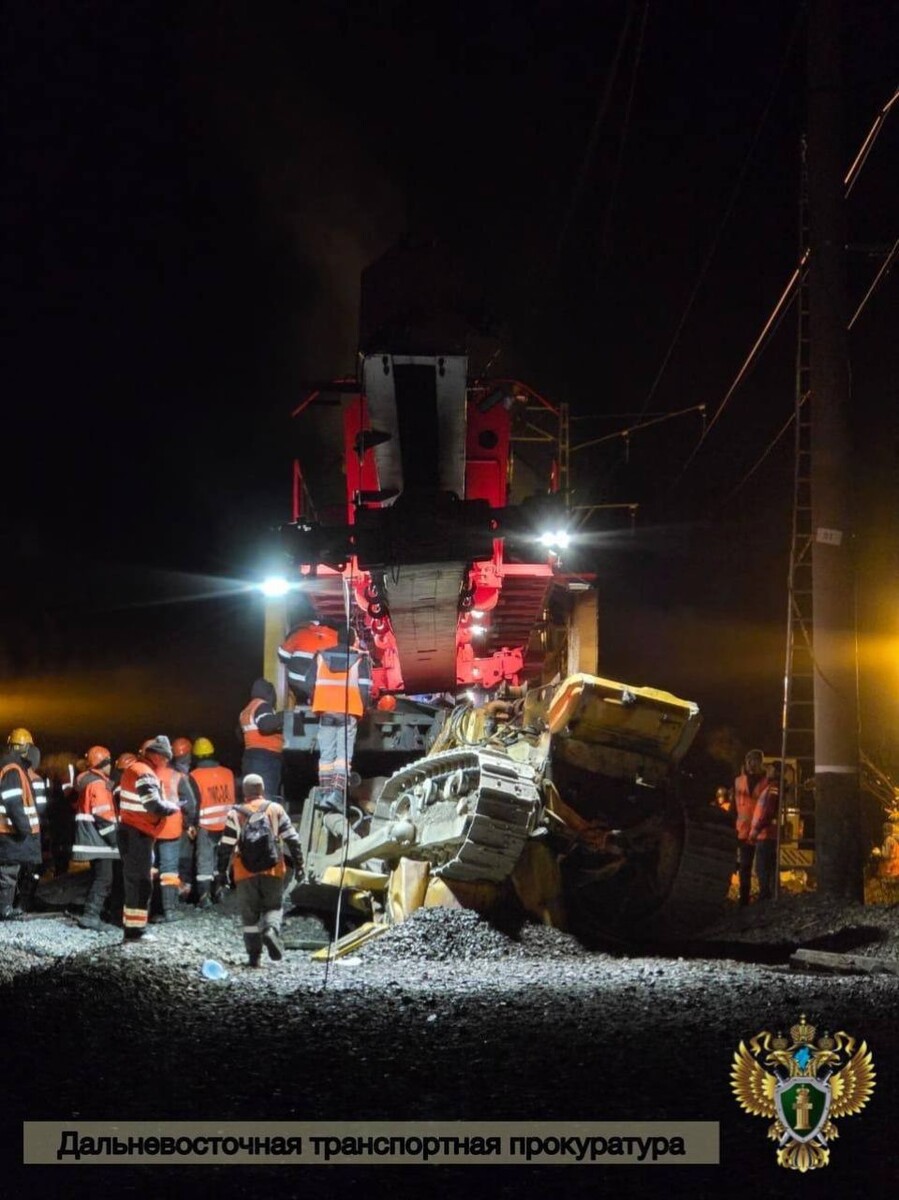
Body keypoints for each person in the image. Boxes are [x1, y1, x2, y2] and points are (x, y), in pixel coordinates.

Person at [216, 774, 303, 967]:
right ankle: (271, 931)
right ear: (262, 790)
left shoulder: (235, 814)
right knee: (274, 906)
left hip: (245, 871)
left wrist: (221, 873)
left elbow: (225, 847)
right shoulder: (275, 809)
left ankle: (254, 957)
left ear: (244, 793)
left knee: (249, 917)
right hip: (273, 869)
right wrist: (299, 866)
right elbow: (293, 839)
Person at [306, 625, 372, 840]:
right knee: (343, 757)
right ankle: (336, 794)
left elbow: (309, 683)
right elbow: (364, 687)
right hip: (348, 709)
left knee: (326, 756)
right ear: (353, 640)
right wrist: (364, 708)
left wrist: (315, 698)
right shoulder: (359, 658)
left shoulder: (320, 656)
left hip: (326, 709)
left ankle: (325, 793)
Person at [116, 736, 179, 941]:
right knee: (140, 884)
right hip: (137, 835)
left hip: (134, 833)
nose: (166, 762)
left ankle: (133, 929)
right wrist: (174, 807)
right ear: (156, 755)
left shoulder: (136, 769)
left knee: (137, 883)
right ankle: (135, 932)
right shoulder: (144, 773)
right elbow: (154, 805)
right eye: (165, 757)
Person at [71, 746, 119, 930]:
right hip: (98, 842)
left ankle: (92, 913)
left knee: (99, 877)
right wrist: (115, 841)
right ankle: (91, 915)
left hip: (90, 838)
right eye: (109, 763)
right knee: (104, 879)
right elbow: (103, 817)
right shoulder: (98, 785)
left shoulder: (87, 782)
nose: (111, 767)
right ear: (103, 764)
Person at [150, 740, 197, 923]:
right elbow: (190, 805)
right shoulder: (177, 777)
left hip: (149, 830)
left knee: (152, 870)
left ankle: (153, 912)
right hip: (171, 830)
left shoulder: (145, 775)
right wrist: (188, 823)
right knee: (169, 871)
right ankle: (169, 910)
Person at [188, 736, 236, 909]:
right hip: (228, 825)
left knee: (205, 861)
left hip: (206, 825)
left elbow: (194, 804)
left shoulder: (193, 776)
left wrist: (191, 825)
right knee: (221, 861)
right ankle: (220, 893)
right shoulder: (228, 772)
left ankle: (204, 898)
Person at [0, 729, 42, 920]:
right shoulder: (13, 769)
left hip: (10, 830)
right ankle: (5, 909)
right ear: (26, 748)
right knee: (8, 871)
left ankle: (7, 907)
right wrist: (23, 827)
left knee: (11, 870)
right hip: (9, 830)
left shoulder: (14, 767)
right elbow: (12, 801)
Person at [734, 749, 777, 905]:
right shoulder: (738, 781)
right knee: (744, 867)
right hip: (744, 832)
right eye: (749, 761)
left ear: (761, 763)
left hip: (760, 831)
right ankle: (744, 899)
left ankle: (764, 897)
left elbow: (769, 805)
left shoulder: (767, 782)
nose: (752, 764)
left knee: (761, 868)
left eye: (755, 761)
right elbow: (734, 807)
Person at [239, 678, 285, 802]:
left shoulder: (246, 710)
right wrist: (285, 715)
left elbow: (239, 733)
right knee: (266, 799)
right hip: (265, 760)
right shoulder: (262, 706)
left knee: (254, 798)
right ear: (269, 694)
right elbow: (266, 724)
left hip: (250, 758)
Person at [278, 619, 338, 702]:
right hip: (320, 685)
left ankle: (302, 700)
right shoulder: (335, 639)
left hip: (296, 681)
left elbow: (283, 654)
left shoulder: (301, 633)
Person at [171, 737, 196, 901]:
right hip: (182, 824)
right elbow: (191, 803)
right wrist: (190, 824)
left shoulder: (167, 773)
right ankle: (182, 893)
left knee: (169, 861)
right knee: (184, 859)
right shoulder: (185, 776)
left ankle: (171, 894)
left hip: (167, 824)